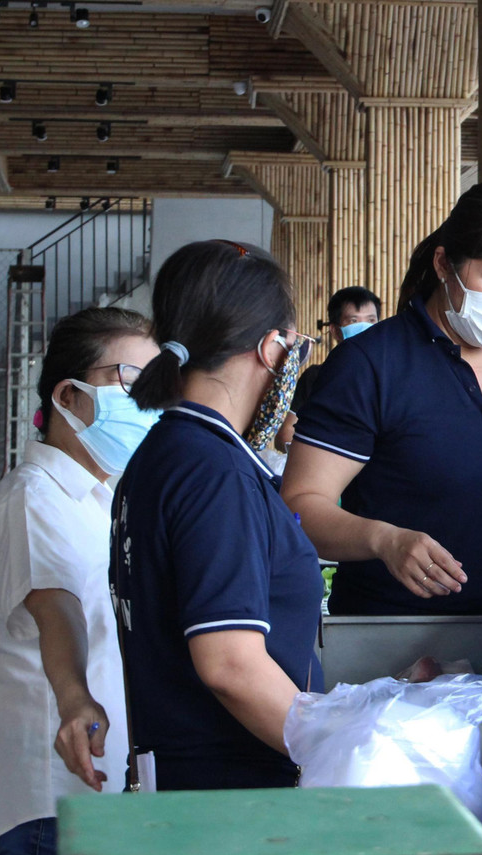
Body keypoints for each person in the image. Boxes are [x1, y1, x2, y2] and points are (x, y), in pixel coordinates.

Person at [282, 180, 482, 615]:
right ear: (443, 264)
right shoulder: (370, 365)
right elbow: (301, 505)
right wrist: (384, 540)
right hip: (387, 634)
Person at [0, 307, 159, 855]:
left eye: (155, 387)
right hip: (46, 807)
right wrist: (75, 698)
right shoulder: (34, 498)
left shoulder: (102, 502)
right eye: (131, 382)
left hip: (99, 797)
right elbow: (57, 608)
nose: (147, 402)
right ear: (70, 395)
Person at [111, 239, 323, 791]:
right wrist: (342, 748)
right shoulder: (214, 472)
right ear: (269, 348)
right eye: (293, 346)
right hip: (231, 803)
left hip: (189, 788)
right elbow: (230, 664)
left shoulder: (166, 453)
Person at [274, 285, 382, 452]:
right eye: (353, 321)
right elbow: (285, 436)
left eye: (371, 320)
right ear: (335, 330)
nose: (364, 327)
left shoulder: (392, 377)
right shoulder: (316, 377)